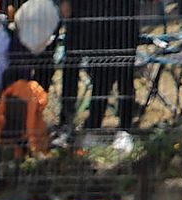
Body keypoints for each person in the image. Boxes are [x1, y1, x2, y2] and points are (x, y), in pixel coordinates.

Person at [58, 0, 138, 145]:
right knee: (77, 66)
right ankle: (69, 125)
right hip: (83, 14)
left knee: (122, 71)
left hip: (122, 16)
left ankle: (123, 130)